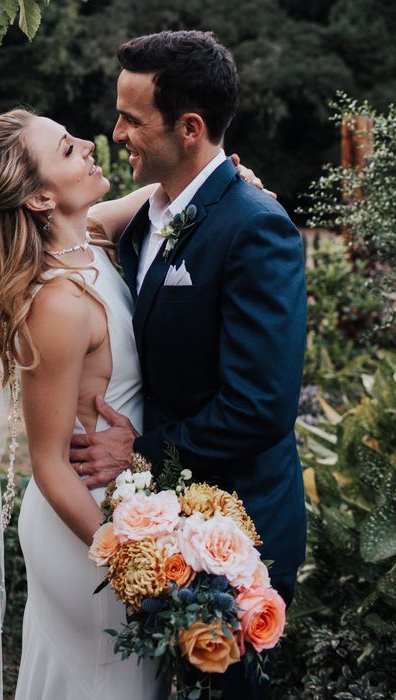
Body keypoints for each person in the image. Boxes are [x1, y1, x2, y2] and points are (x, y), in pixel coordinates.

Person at [0, 101, 271, 697]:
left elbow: (180, 190)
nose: (87, 144)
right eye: (64, 148)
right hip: (85, 522)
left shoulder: (93, 237)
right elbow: (49, 464)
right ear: (40, 200)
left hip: (125, 504)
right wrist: (135, 563)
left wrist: (237, 184)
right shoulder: (57, 304)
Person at [70, 31, 307, 699]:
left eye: (132, 119)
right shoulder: (149, 220)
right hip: (164, 528)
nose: (117, 134)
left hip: (241, 531)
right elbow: (62, 221)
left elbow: (260, 405)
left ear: (190, 127)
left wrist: (138, 453)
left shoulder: (256, 227)